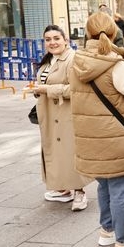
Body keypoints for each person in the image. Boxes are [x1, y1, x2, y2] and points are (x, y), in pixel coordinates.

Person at [68, 11, 124, 247]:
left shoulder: (77, 62)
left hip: (89, 135)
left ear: (87, 33)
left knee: (104, 184)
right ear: (115, 32)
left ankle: (107, 230)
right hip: (115, 136)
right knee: (118, 187)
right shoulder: (116, 65)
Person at [33, 25, 91, 211]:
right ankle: (63, 188)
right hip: (50, 114)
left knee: (69, 152)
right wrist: (37, 89)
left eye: (56, 38)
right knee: (56, 151)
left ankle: (80, 192)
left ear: (66, 40)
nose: (52, 42)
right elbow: (45, 82)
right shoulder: (49, 60)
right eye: (48, 39)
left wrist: (46, 90)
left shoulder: (72, 59)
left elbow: (77, 90)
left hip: (66, 115)